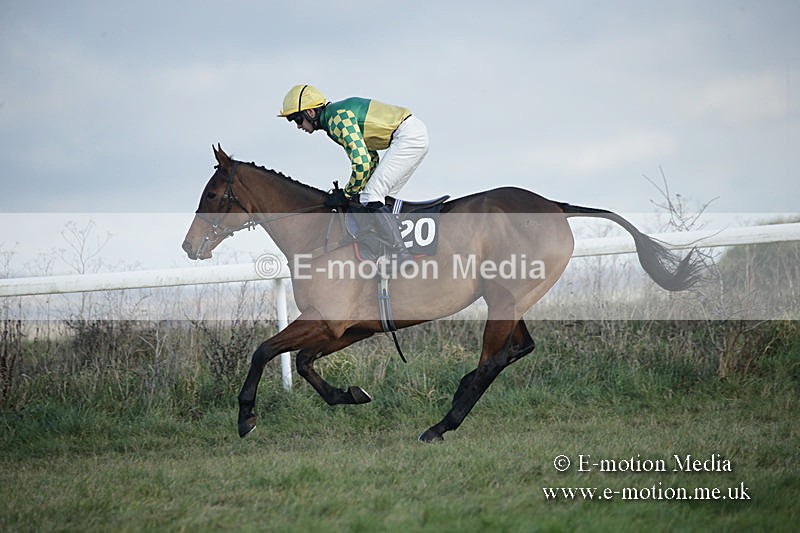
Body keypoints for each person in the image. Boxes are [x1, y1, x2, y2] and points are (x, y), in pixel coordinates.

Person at [278, 84, 429, 263]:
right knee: (375, 199)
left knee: (372, 196)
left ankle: (401, 254)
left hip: (408, 137)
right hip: (411, 134)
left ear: (310, 112)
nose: (298, 126)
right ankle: (386, 252)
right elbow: (371, 158)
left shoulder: (337, 118)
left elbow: (362, 162)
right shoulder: (334, 118)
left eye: (297, 119)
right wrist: (355, 192)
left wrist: (347, 194)